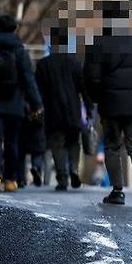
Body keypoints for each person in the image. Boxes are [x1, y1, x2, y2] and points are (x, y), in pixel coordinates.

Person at [84, 0, 132, 205]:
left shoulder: (98, 43)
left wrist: (97, 97)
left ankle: (117, 191)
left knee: (112, 146)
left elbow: (90, 78)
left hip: (109, 106)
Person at [0, 14, 42, 192]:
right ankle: (9, 179)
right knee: (12, 142)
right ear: (15, 29)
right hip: (15, 104)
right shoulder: (20, 51)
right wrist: (36, 103)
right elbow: (28, 79)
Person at [35, 38, 93, 191]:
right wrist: (89, 109)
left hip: (53, 113)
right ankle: (74, 168)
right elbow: (84, 88)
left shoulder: (43, 65)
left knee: (57, 145)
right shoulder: (74, 63)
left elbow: (38, 91)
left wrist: (36, 108)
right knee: (74, 142)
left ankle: (62, 178)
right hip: (73, 112)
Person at [16, 101, 46, 188]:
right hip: (38, 127)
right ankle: (36, 167)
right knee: (37, 153)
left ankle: (20, 179)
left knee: (21, 154)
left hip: (23, 125)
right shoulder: (40, 95)